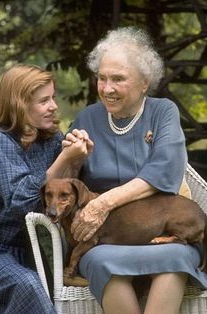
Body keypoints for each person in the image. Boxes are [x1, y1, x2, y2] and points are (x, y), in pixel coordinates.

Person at [64, 27, 207, 314]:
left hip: (163, 230)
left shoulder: (163, 111)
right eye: (102, 78)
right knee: (101, 261)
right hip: (105, 238)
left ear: (144, 83)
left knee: (176, 258)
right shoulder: (87, 117)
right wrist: (72, 159)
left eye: (118, 79)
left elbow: (165, 170)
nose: (107, 88)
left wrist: (104, 202)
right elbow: (62, 185)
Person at [0, 64, 91, 313]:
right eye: (43, 100)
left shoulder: (50, 139)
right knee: (27, 286)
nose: (53, 106)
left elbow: (60, 196)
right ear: (19, 105)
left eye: (53, 98)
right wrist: (64, 159)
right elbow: (22, 201)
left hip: (27, 250)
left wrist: (76, 161)